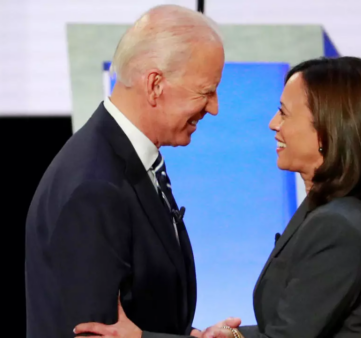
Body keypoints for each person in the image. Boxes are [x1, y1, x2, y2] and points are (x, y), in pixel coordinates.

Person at [75, 56, 361, 338]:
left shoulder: (339, 226)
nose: (273, 124)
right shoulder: (338, 209)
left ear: (329, 130)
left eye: (284, 113)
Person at [24, 5, 238, 338]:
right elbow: (97, 334)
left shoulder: (126, 160)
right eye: (205, 92)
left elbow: (143, 312)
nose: (214, 107)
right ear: (155, 85)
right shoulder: (96, 186)